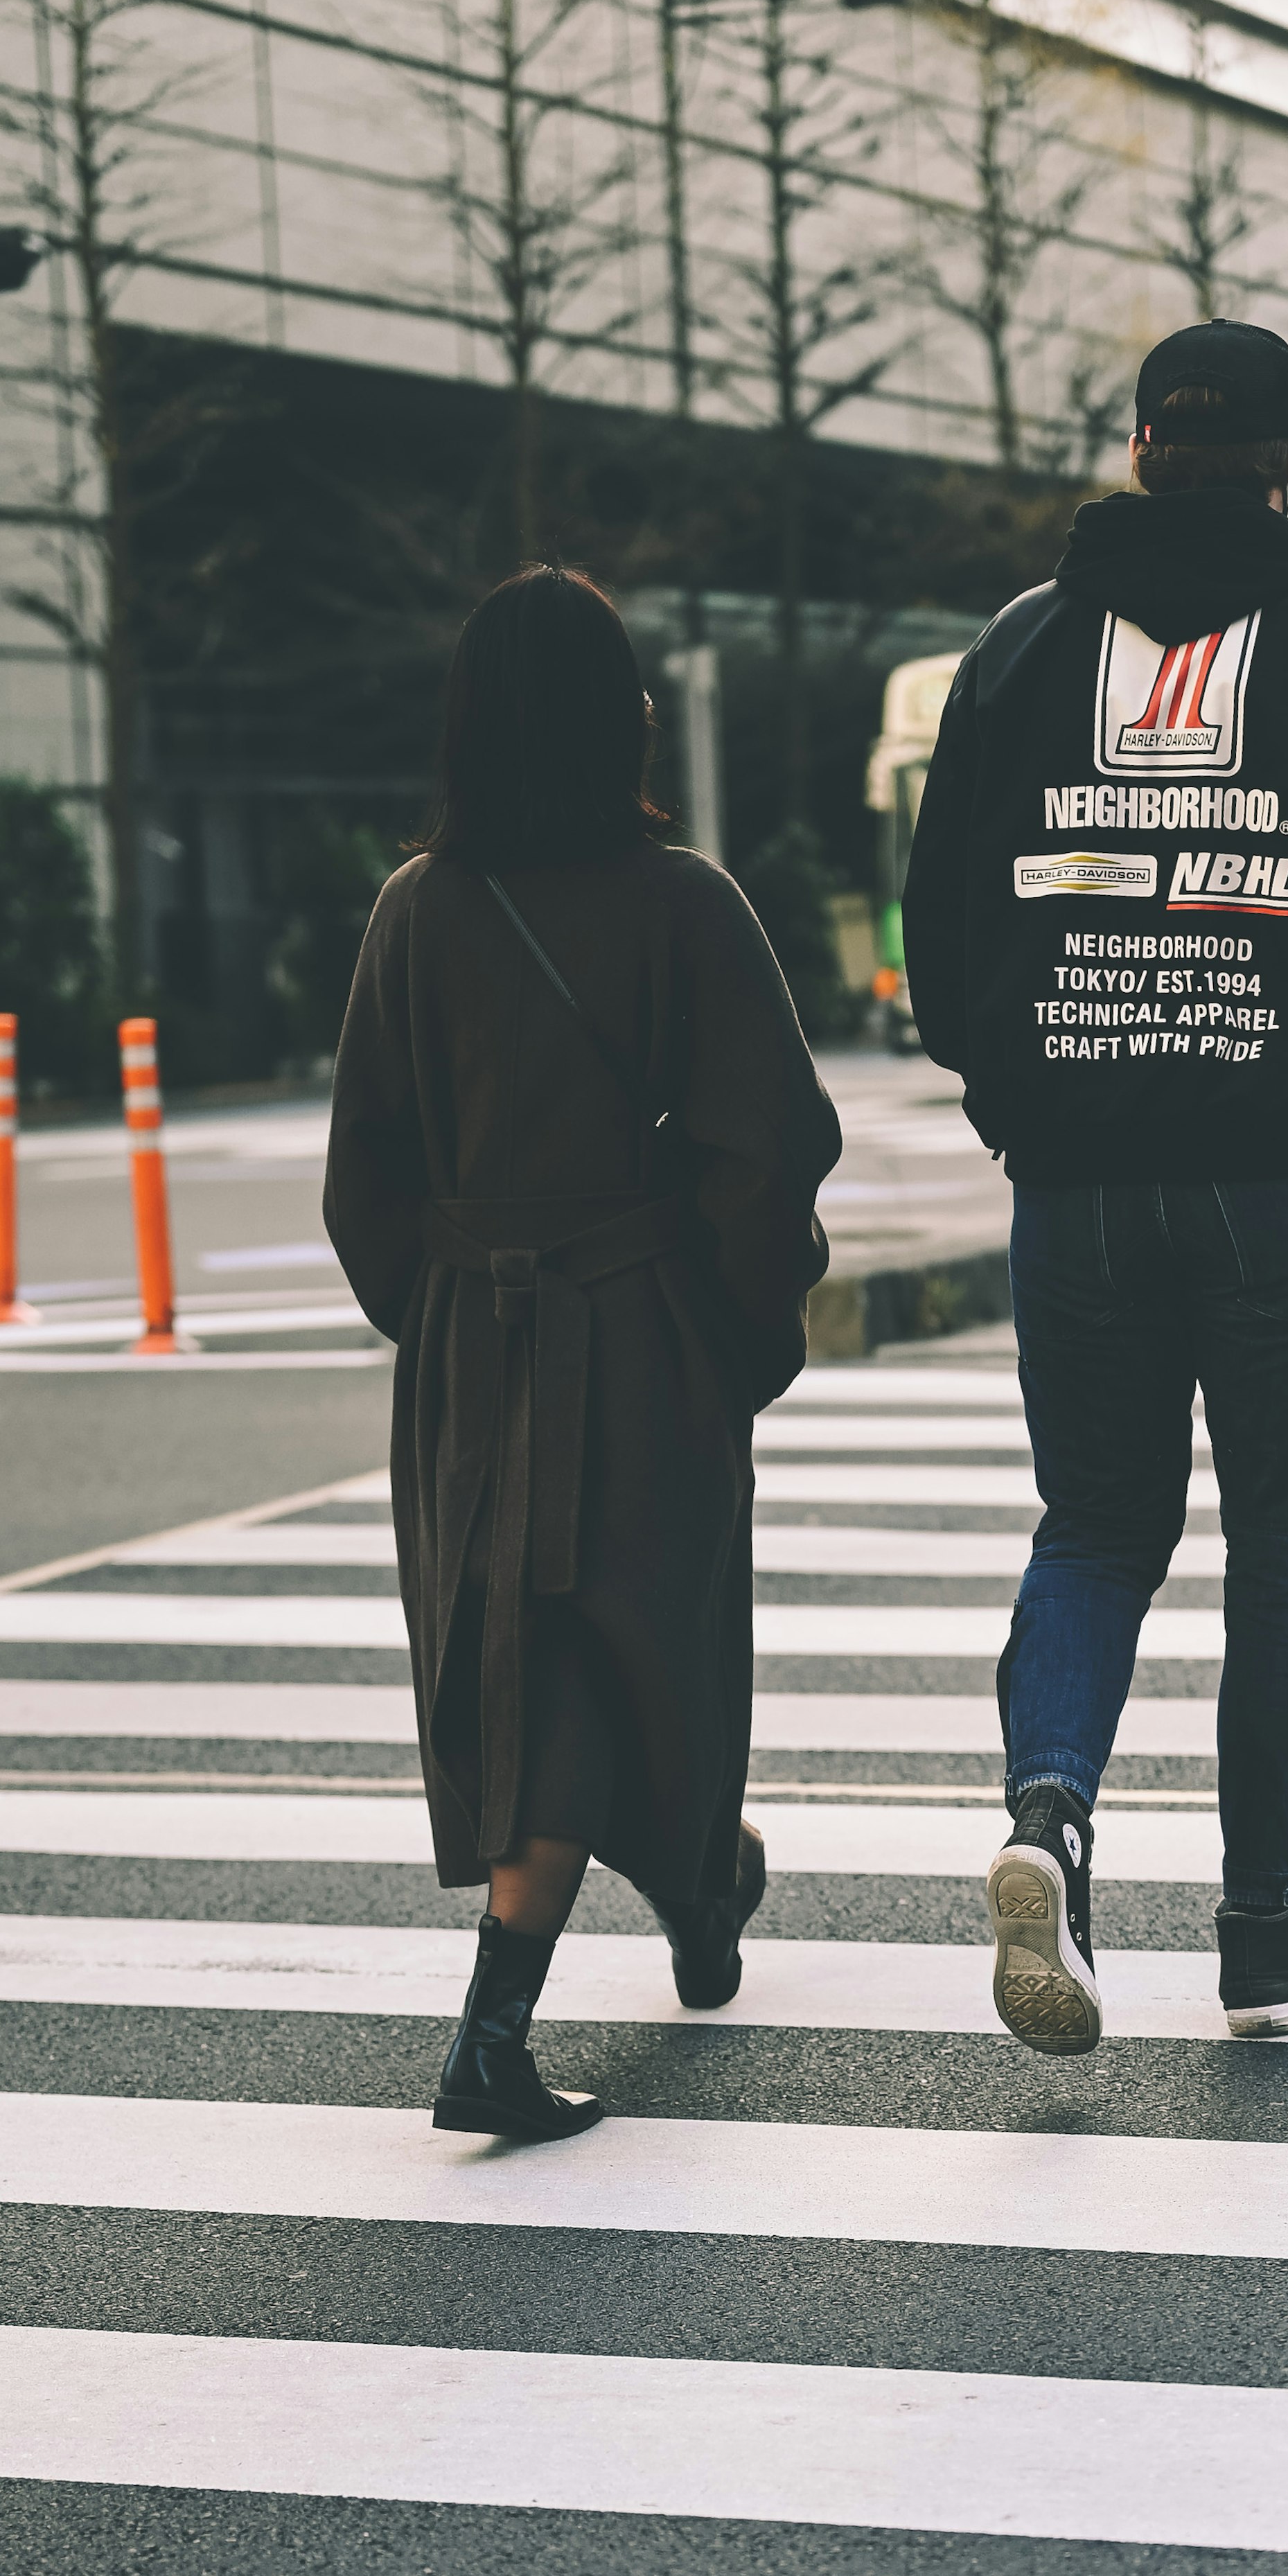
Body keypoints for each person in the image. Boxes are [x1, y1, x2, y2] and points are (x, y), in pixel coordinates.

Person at [899, 321, 1288, 2052]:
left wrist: (1015, 1089)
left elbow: (938, 919)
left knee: (1094, 1525)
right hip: (1281, 1178)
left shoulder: (1015, 657)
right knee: (1282, 1538)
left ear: (1137, 448)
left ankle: (1048, 1817)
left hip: (1076, 1173)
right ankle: (1259, 1930)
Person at [326, 565, 839, 2142]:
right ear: (622, 718)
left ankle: (697, 1885)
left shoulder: (415, 911)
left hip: (477, 1349)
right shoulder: (683, 902)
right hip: (642, 1331)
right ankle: (562, 1983)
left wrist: (450, 1312)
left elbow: (366, 1181)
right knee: (645, 1639)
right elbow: (774, 1143)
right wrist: (735, 1318)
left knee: (521, 1654)